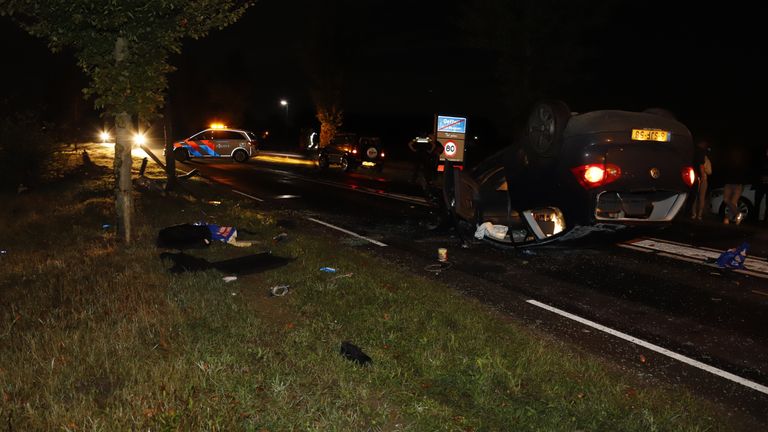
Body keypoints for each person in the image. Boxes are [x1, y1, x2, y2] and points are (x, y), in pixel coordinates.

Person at [720, 142, 749, 225]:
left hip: (738, 185)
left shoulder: (742, 162)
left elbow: (745, 173)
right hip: (728, 184)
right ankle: (738, 214)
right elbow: (724, 171)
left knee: (733, 203)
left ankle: (727, 218)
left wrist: (742, 184)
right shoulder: (728, 161)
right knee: (726, 200)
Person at [690, 139, 712, 220]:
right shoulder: (704, 155)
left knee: (695, 196)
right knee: (701, 197)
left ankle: (693, 214)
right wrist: (703, 175)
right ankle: (699, 215)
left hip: (695, 176)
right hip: (702, 177)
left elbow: (700, 165)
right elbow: (705, 168)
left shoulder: (693, 153)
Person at [753, 145, 768, 223]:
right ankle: (755, 219)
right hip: (760, 185)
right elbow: (756, 171)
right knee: (757, 202)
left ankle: (765, 219)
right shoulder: (761, 160)